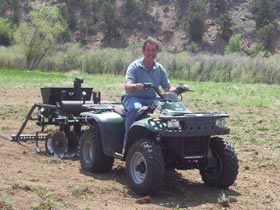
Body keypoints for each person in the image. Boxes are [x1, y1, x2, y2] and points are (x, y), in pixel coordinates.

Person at [123, 37, 176, 138]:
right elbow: (127, 86)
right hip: (133, 98)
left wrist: (178, 90)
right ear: (143, 51)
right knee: (136, 108)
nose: (150, 53)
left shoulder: (159, 69)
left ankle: (162, 137)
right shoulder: (134, 66)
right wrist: (136, 86)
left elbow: (167, 88)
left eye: (153, 50)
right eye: (148, 50)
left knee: (168, 108)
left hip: (151, 99)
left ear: (157, 52)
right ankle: (128, 139)